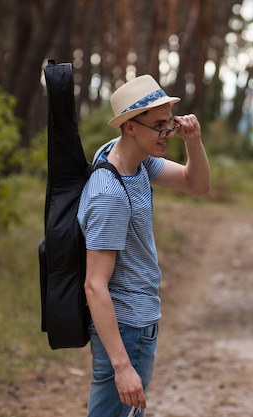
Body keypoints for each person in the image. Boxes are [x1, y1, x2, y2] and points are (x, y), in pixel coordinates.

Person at [77, 74, 210, 417]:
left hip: (138, 321)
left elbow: (196, 184)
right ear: (130, 127)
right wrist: (122, 367)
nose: (167, 134)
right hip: (126, 327)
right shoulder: (110, 194)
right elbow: (94, 285)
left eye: (169, 125)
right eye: (159, 126)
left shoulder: (132, 160)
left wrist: (192, 142)